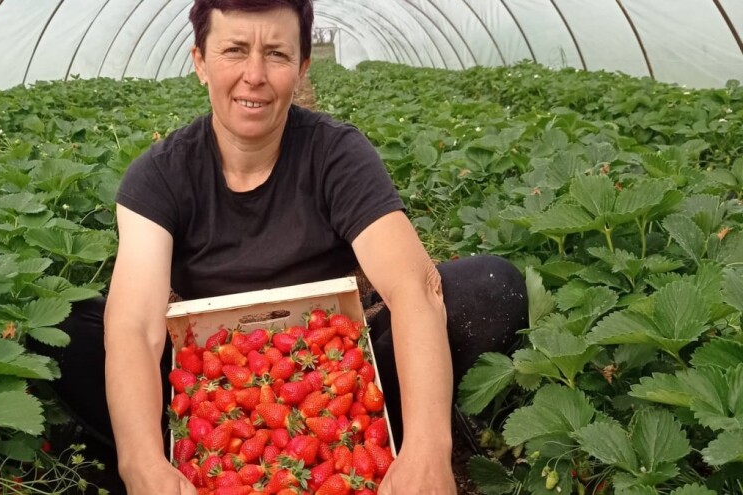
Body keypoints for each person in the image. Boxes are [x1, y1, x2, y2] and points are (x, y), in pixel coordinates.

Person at [43, 1, 528, 494]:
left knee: (489, 287)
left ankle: (384, 450)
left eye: (276, 54)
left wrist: (430, 449)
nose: (254, 75)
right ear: (199, 62)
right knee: (58, 326)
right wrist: (140, 463)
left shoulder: (337, 154)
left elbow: (414, 287)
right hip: (210, 380)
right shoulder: (160, 174)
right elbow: (136, 325)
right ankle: (165, 460)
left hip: (335, 367)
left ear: (301, 70)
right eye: (234, 50)